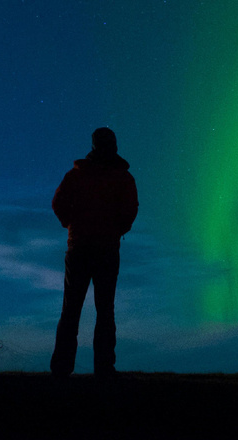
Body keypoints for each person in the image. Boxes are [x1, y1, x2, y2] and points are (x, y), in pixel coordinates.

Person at [50, 127, 139, 378]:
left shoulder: (77, 175)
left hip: (79, 248)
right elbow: (131, 209)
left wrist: (72, 224)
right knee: (104, 309)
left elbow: (58, 203)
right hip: (106, 249)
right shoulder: (122, 178)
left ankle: (62, 368)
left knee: (71, 309)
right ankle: (103, 368)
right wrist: (116, 228)